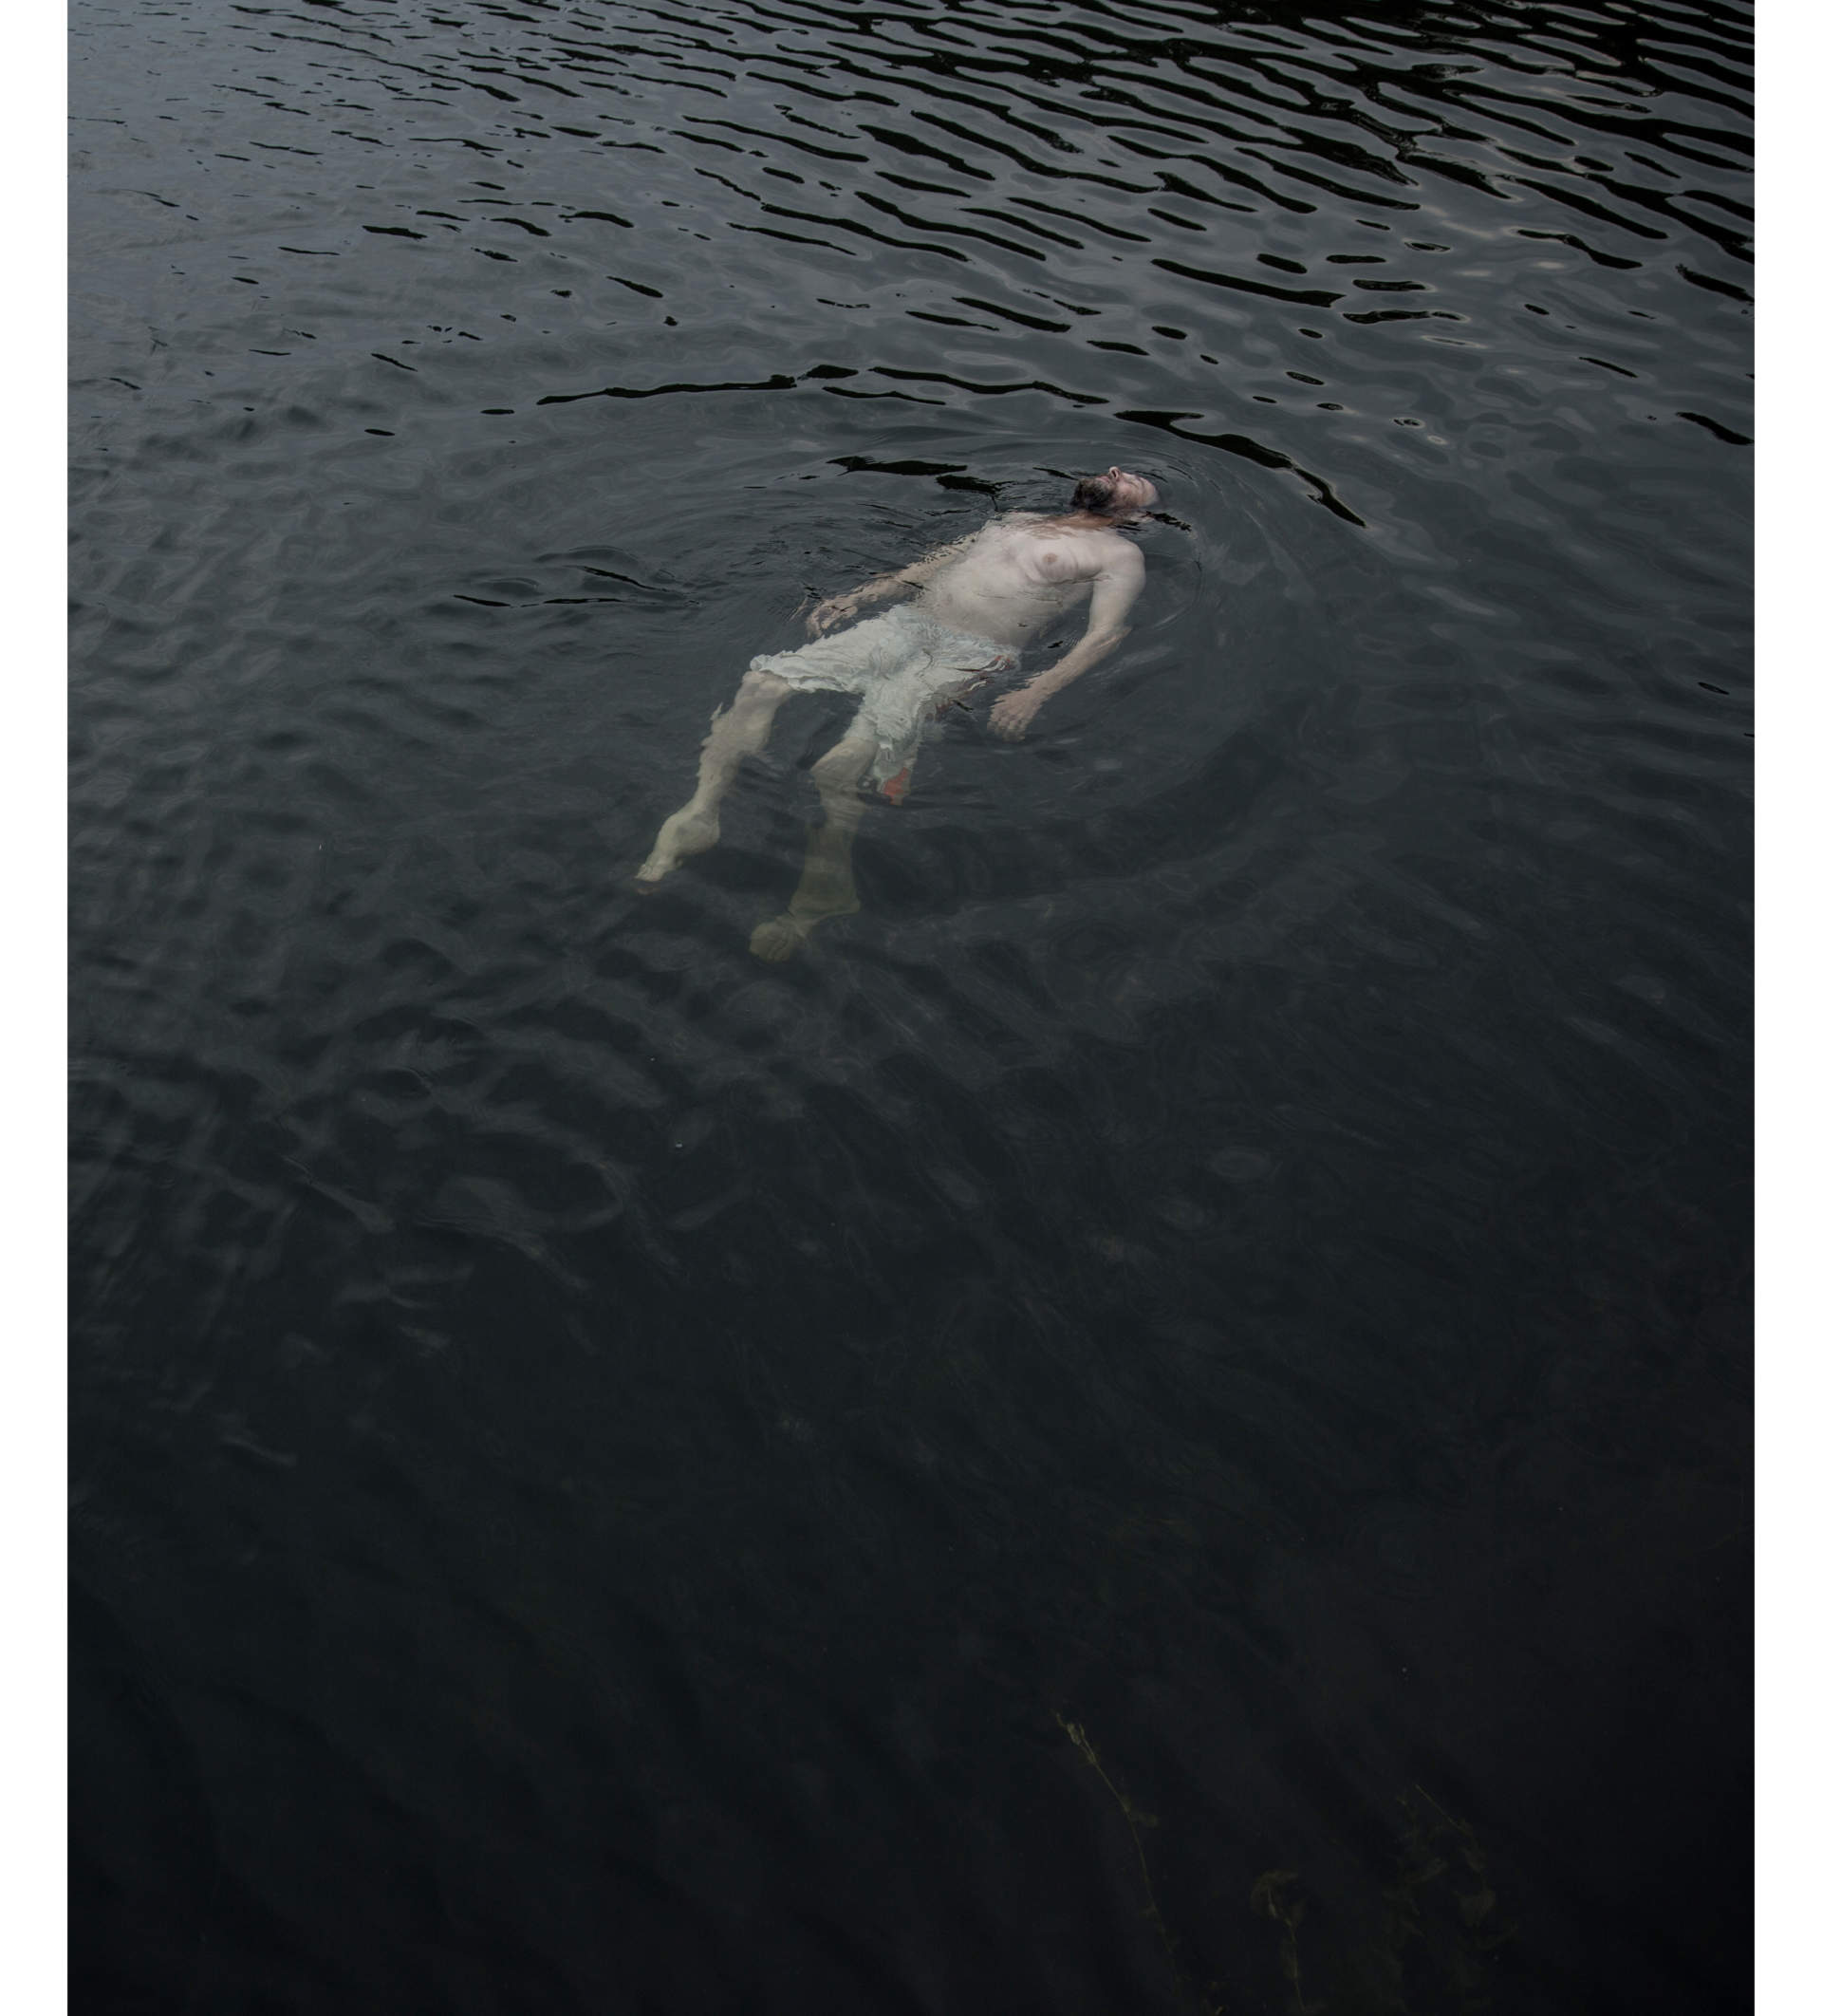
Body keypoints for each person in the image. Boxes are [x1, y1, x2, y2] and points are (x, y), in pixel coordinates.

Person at [635, 464, 1160, 961]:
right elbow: (937, 562)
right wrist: (863, 595)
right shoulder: (1018, 520)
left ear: (1140, 516)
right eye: (1118, 469)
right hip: (906, 624)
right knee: (761, 682)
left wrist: (1036, 690)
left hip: (971, 656)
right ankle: (701, 812)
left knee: (840, 766)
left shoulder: (1117, 556)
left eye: (1135, 481)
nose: (1117, 474)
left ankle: (821, 892)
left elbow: (1104, 636)